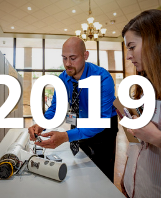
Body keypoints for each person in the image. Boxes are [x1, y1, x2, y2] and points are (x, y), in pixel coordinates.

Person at [28, 36, 118, 182]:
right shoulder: (63, 78)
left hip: (104, 127)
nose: (67, 64)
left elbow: (99, 122)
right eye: (64, 58)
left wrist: (65, 136)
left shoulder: (103, 77)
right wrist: (41, 124)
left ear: (85, 55)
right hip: (80, 120)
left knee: (102, 174)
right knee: (81, 166)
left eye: (73, 58)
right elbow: (56, 107)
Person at [121, 9, 161, 198]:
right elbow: (138, 144)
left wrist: (157, 137)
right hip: (138, 185)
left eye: (131, 47)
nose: (128, 56)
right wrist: (128, 174)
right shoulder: (145, 85)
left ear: (154, 42)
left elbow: (154, 136)